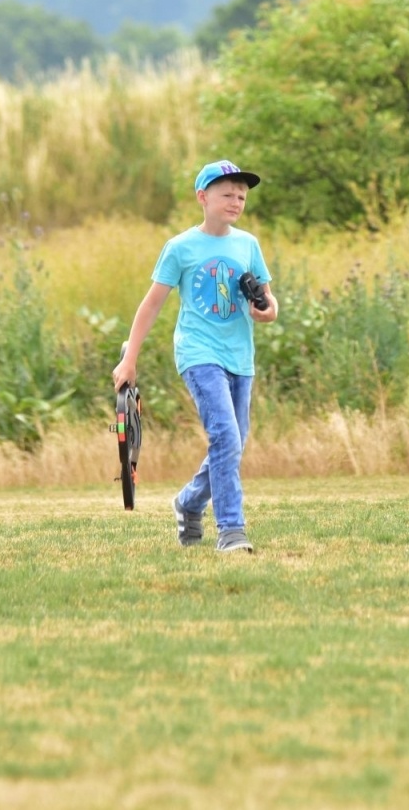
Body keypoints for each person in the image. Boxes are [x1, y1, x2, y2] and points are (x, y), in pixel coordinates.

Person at [112, 159, 277, 554]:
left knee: (235, 441)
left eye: (241, 195)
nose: (236, 200)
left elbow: (270, 302)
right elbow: (151, 305)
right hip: (199, 353)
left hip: (240, 356)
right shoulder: (181, 248)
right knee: (225, 435)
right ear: (203, 197)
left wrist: (266, 310)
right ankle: (232, 530)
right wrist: (129, 359)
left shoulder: (248, 244)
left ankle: (188, 503)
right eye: (227, 194)